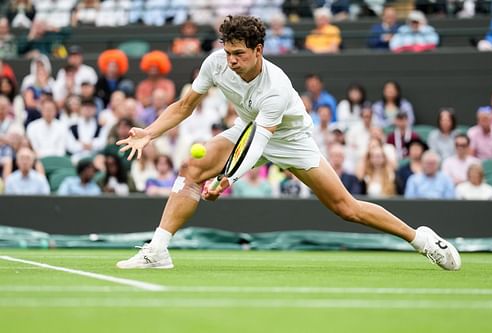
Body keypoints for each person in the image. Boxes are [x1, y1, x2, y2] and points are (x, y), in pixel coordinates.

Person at [115, 15, 461, 271]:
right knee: (191, 168)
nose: (231, 60)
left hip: (290, 140)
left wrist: (227, 179)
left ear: (259, 50)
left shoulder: (276, 87)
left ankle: (421, 239)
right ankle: (158, 249)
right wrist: (149, 132)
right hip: (248, 128)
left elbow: (258, 145)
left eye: (239, 53)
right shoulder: (216, 64)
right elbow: (185, 106)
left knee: (346, 208)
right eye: (228, 52)